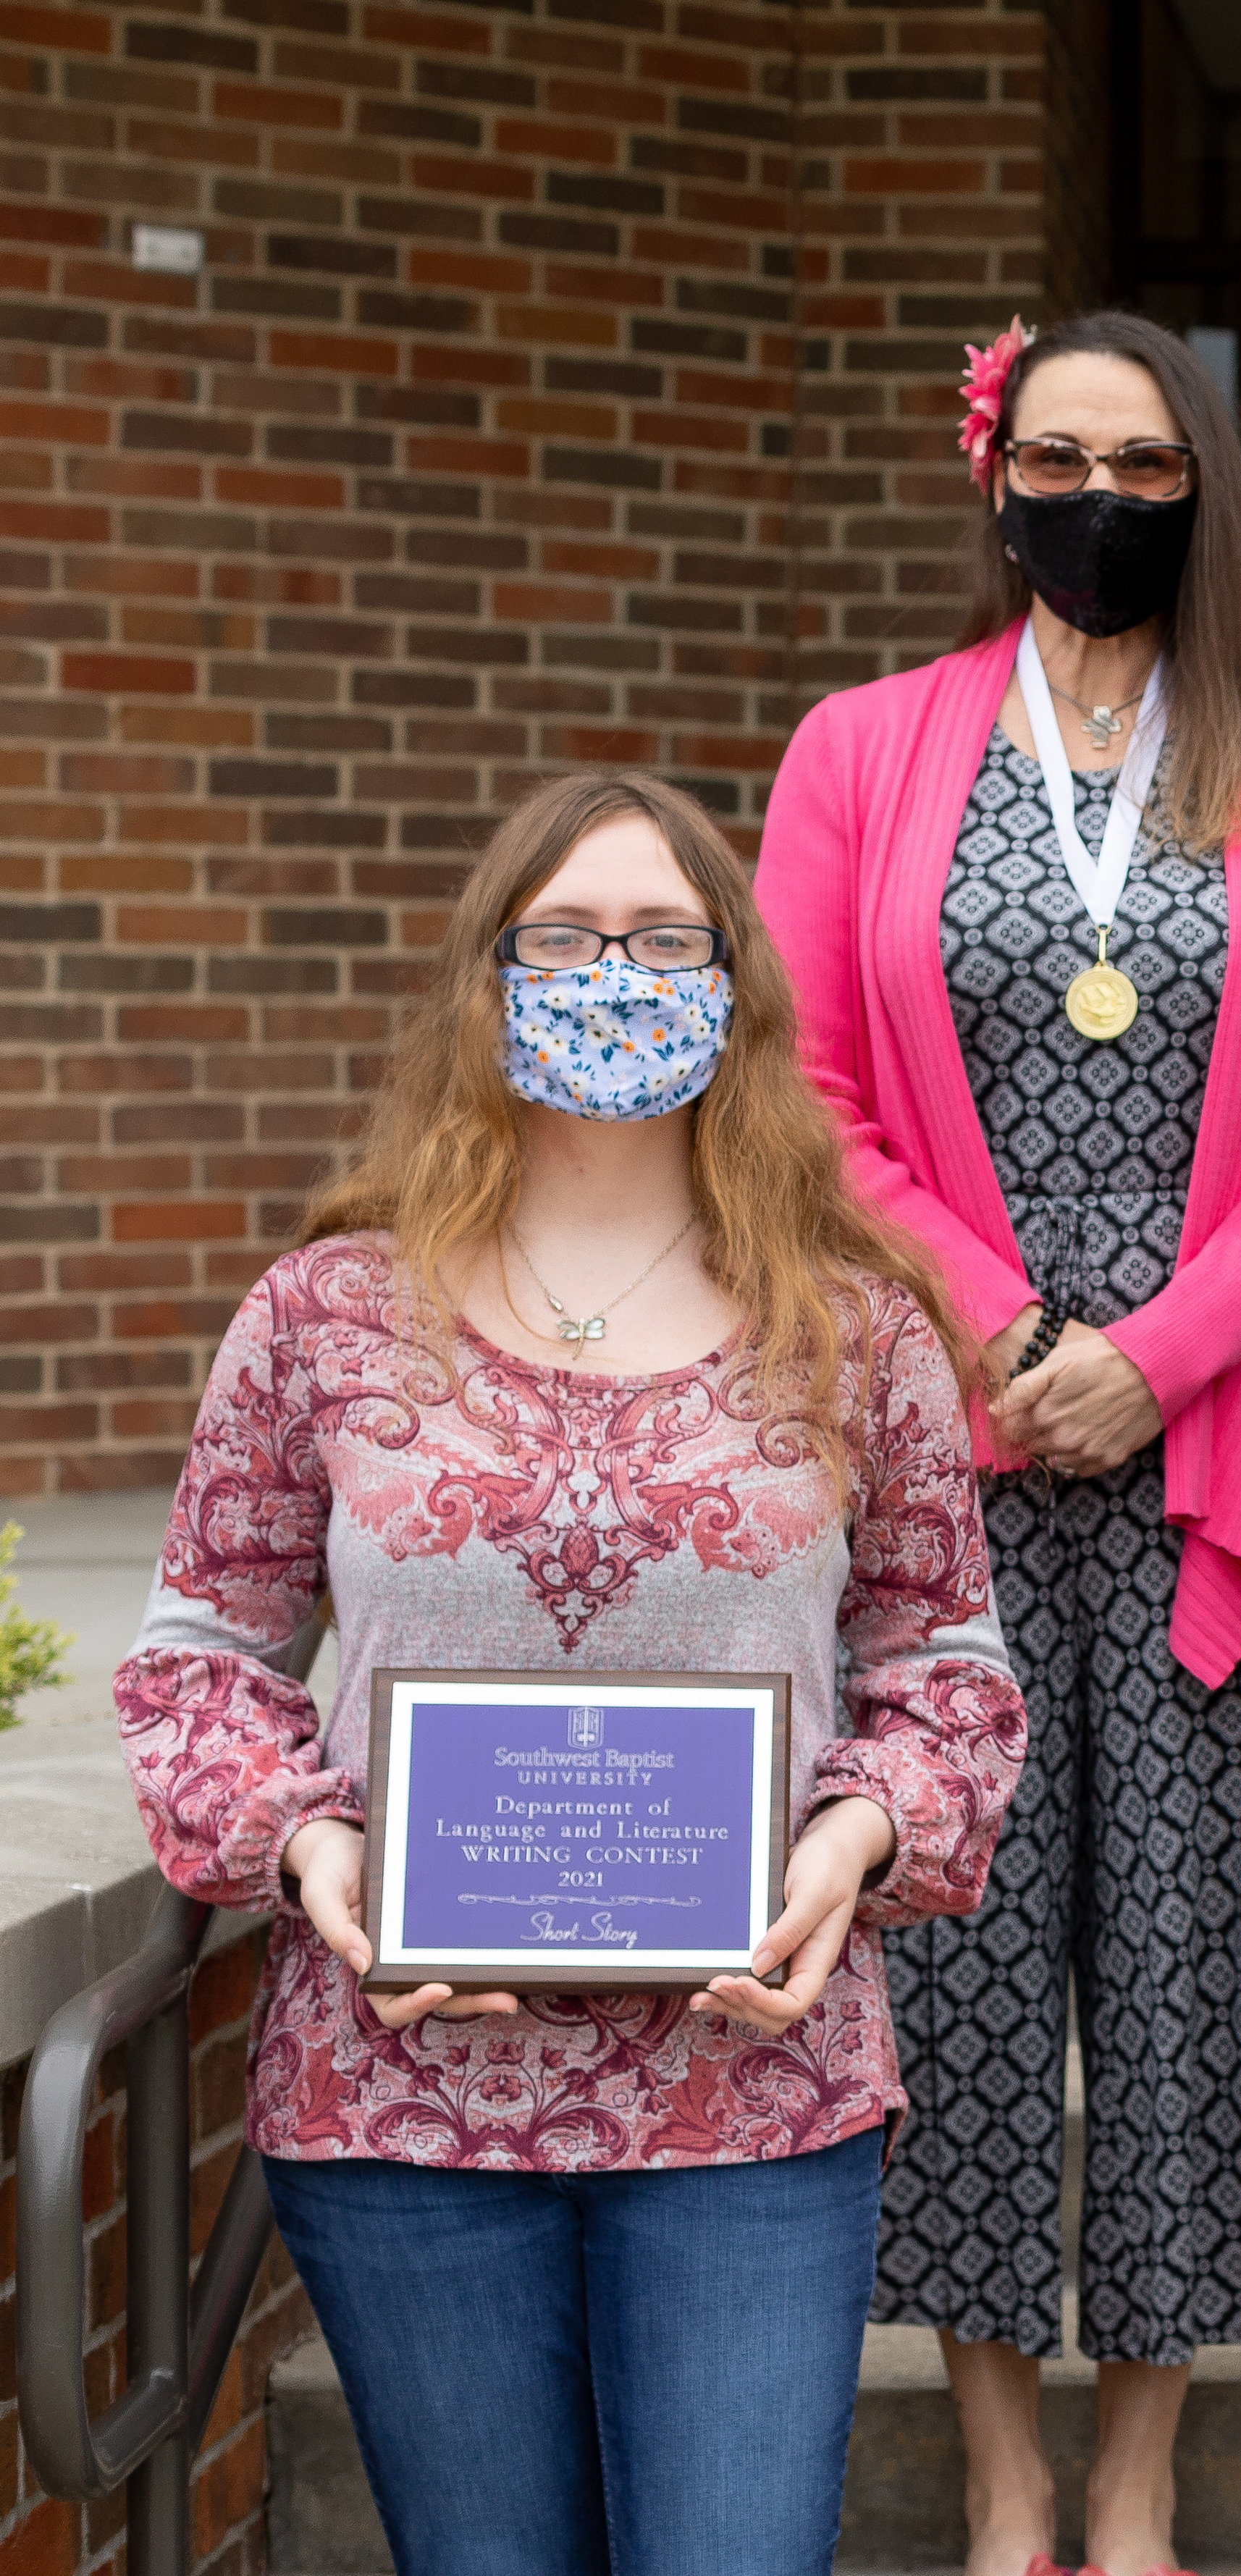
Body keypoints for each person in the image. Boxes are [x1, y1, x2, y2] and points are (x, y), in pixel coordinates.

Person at [111, 771, 1027, 2576]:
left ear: (737, 985)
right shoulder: (326, 1313)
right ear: (487, 979)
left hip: (754, 2094)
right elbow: (200, 1657)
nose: (617, 973)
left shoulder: (854, 1324)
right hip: (400, 2104)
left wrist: (847, 1853)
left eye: (665, 939)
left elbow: (946, 1669)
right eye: (569, 940)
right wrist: (318, 1856)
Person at [756, 308, 1241, 2576]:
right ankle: (997, 2454)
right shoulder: (860, 748)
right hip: (949, 1441)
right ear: (994, 472)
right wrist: (1011, 1321)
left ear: (1203, 490)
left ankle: (1138, 2462)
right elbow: (811, 1098)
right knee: (949, 1942)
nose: (1098, 497)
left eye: (1144, 462)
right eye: (1058, 455)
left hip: (1228, 1450)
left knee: (1207, 1963)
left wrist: (1158, 1351)